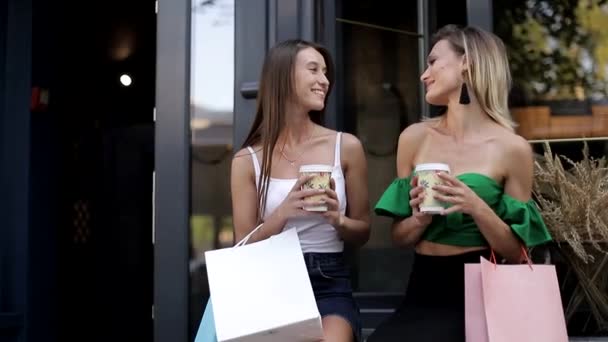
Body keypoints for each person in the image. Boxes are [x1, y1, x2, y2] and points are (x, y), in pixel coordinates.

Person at [367, 25, 553, 342]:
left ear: (465, 62)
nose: (424, 74)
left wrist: (476, 206)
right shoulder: (413, 138)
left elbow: (519, 254)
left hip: (483, 289)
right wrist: (421, 218)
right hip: (422, 288)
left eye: (433, 61)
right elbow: (399, 237)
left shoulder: (512, 148)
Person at [231, 39, 370, 342]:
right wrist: (282, 213)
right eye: (313, 70)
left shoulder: (345, 147)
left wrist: (338, 220)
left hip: (329, 281)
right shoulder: (247, 160)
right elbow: (241, 246)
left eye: (325, 72)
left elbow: (363, 232)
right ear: (283, 77)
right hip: (270, 280)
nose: (325, 80)